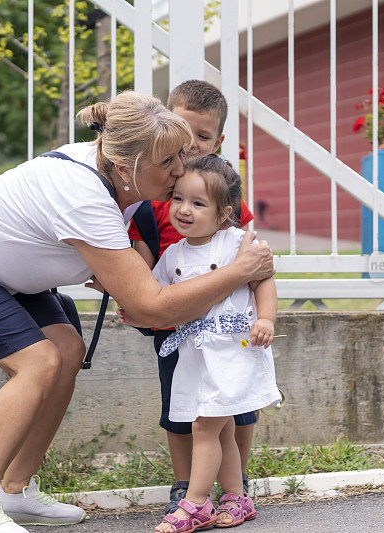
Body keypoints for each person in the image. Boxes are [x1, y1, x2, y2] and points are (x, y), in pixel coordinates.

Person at [0, 91, 275, 533]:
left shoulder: (116, 172)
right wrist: (239, 271)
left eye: (182, 156)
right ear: (128, 165)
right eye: (169, 160)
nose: (180, 169)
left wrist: (131, 270)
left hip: (3, 271)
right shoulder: (83, 194)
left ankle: (15, 491)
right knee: (39, 360)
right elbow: (148, 304)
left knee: (68, 349)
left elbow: (136, 277)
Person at [121, 155, 281, 532]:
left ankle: (195, 504)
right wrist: (137, 312)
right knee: (220, 428)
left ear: (225, 211)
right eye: (178, 199)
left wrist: (266, 318)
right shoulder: (173, 254)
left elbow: (263, 281)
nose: (184, 210)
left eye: (198, 203)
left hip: (234, 352)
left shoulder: (238, 242)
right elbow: (156, 295)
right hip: (195, 355)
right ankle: (236, 496)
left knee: (204, 427)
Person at [128, 80, 259, 516]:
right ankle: (185, 483)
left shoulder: (225, 198)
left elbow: (252, 258)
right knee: (180, 407)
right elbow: (141, 262)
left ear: (218, 141)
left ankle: (237, 484)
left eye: (202, 136)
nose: (190, 143)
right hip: (176, 325)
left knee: (236, 409)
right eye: (181, 130)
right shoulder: (154, 196)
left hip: (227, 328)